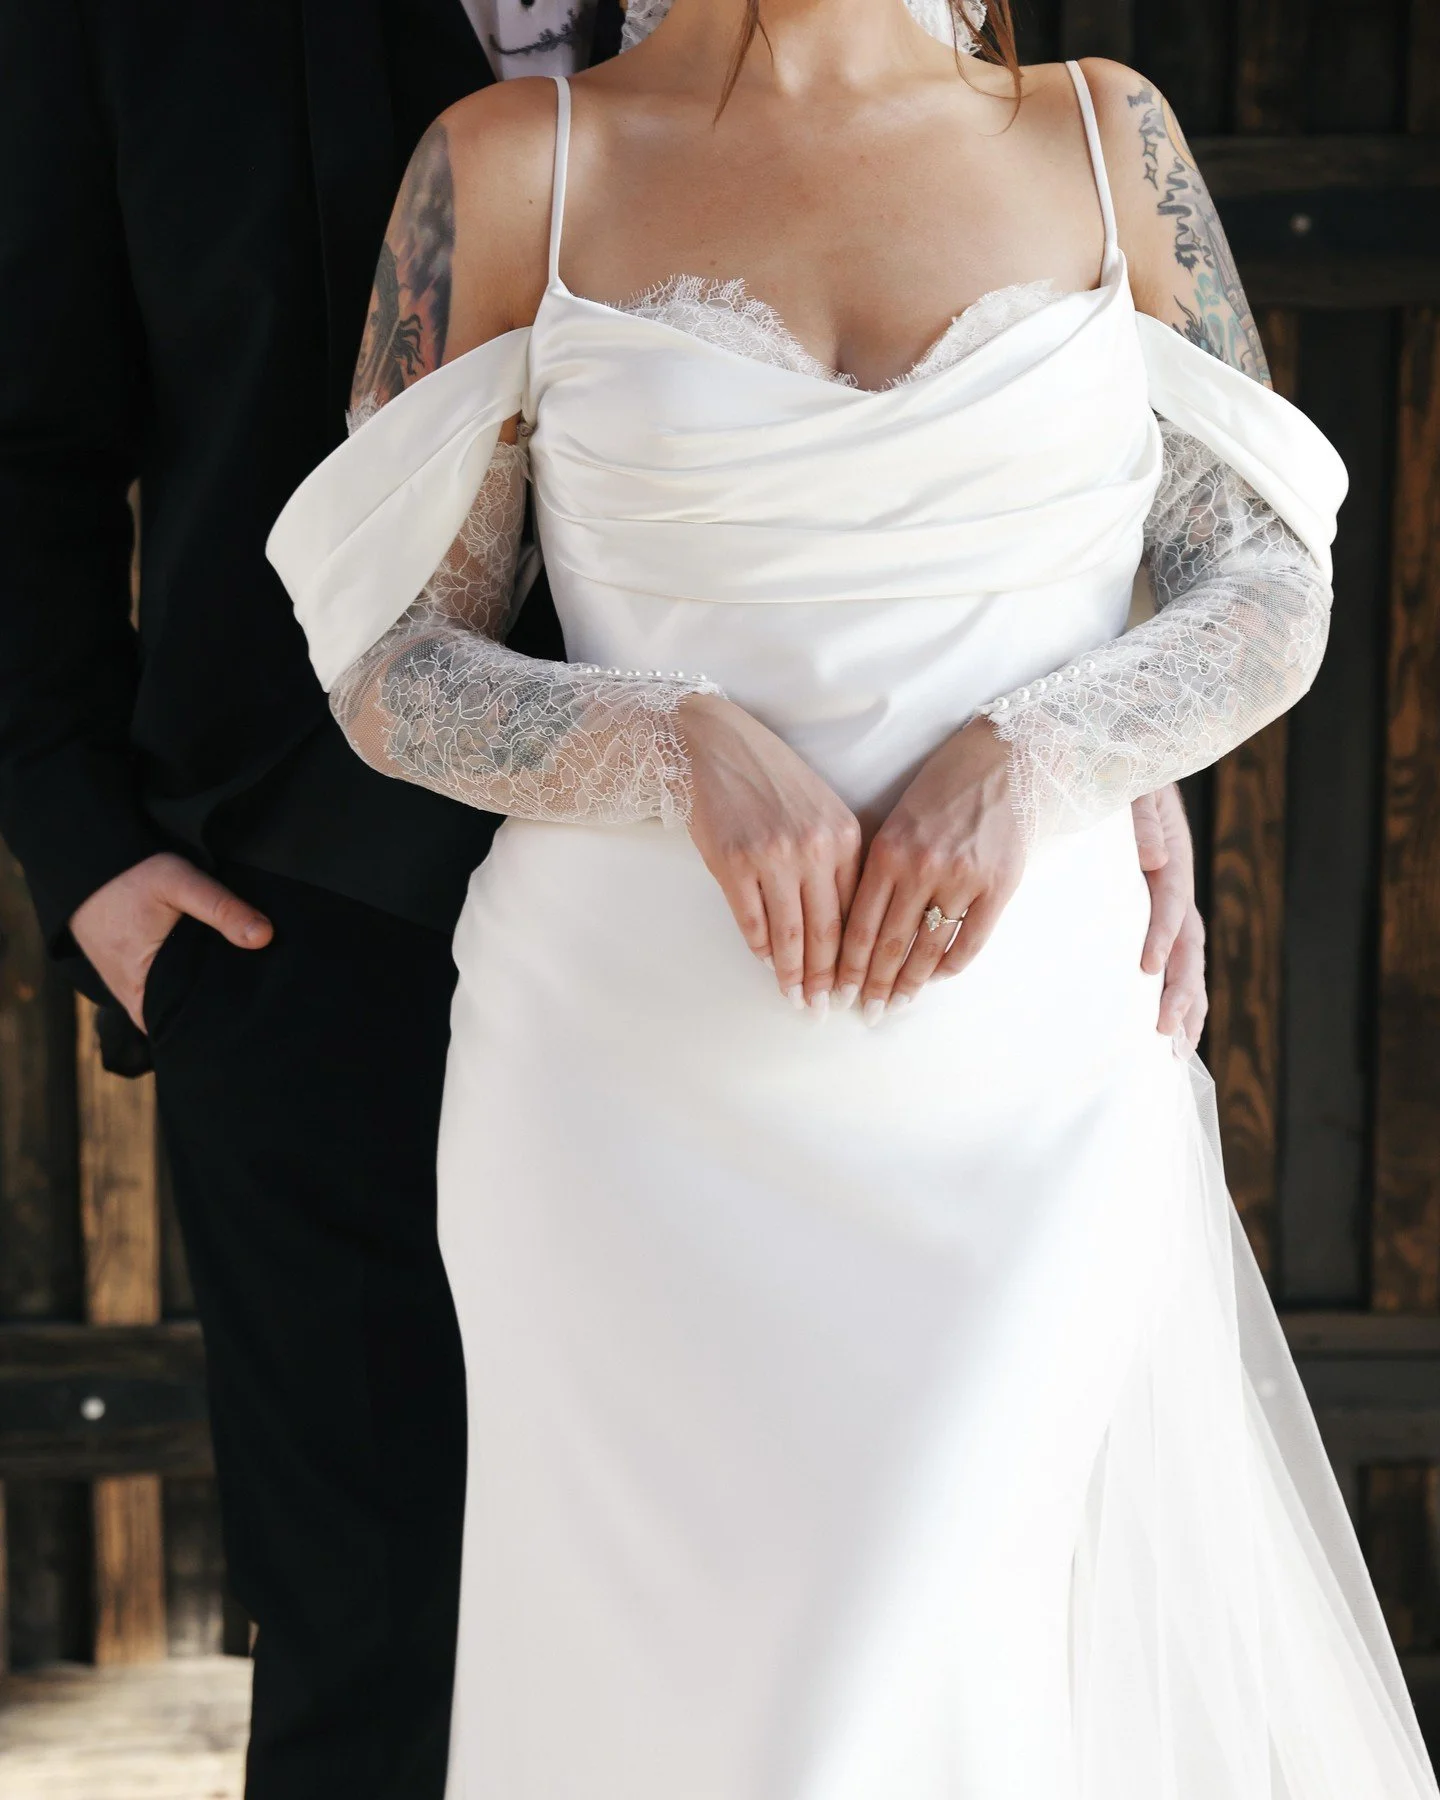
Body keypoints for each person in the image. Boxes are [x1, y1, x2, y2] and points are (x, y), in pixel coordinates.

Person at [0, 0, 1194, 1794]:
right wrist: (85, 849)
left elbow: (1091, 418)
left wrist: (1099, 740)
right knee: (376, 1641)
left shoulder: (948, 56)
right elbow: (26, 432)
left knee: (905, 1633)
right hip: (313, 922)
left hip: (897, 968)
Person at [270, 1, 1436, 1794]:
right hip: (622, 1101)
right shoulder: (515, 166)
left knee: (937, 1671)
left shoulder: (1100, 136)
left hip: (1027, 1088)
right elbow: (391, 661)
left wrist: (1038, 751)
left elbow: (1265, 583)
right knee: (678, 1715)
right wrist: (679, 744)